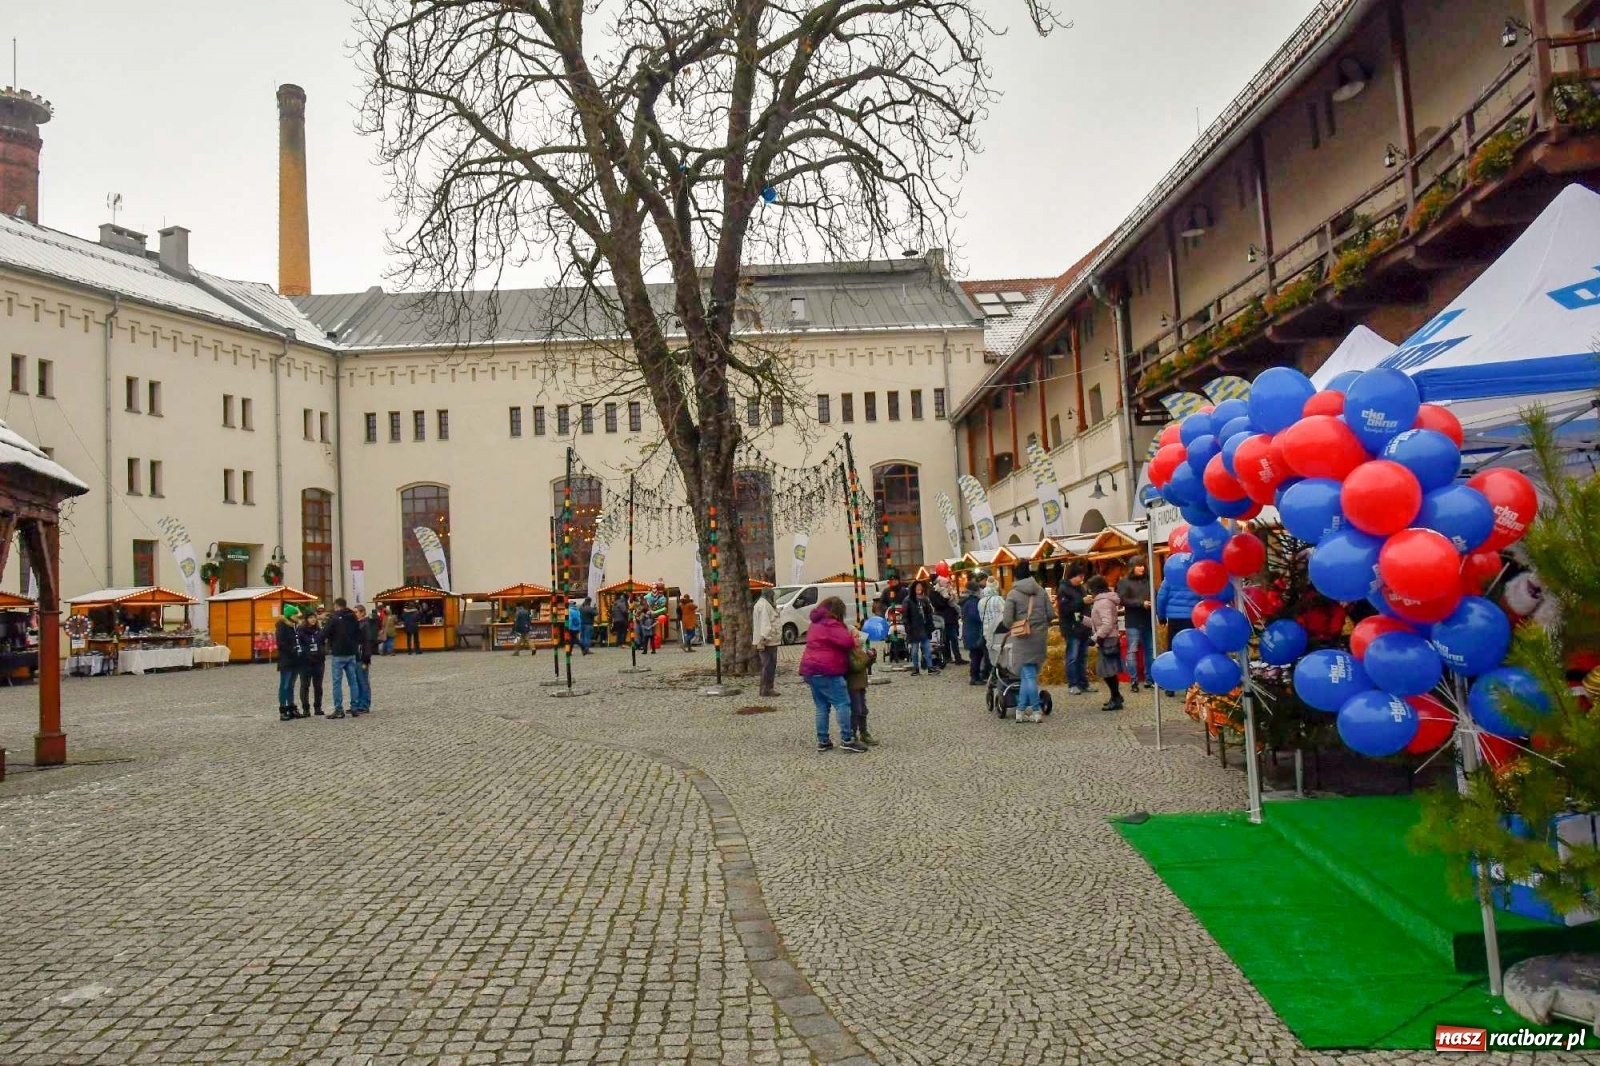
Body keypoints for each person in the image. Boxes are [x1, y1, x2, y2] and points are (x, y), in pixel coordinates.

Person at [798, 596, 866, 753]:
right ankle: (847, 739)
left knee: (822, 707)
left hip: (810, 669)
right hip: (827, 670)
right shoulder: (831, 624)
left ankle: (823, 740)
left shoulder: (815, 623)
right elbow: (847, 642)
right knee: (842, 703)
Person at [1001, 561, 1055, 723]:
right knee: (1028, 675)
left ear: (1016, 575)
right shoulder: (1040, 591)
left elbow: (1007, 621)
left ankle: (1036, 710)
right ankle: (1020, 710)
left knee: (1028, 675)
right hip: (1039, 637)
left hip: (1022, 638)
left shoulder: (1013, 594)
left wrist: (1018, 624)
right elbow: (1051, 614)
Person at [1155, 552, 1201, 695]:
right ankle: (1191, 686)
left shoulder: (1169, 579)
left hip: (1174, 619)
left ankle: (1170, 686)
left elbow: (1161, 599)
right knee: (1192, 649)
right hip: (1192, 618)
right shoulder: (1195, 577)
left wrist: (1161, 616)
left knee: (1172, 650)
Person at [323, 598, 366, 718]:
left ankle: (339, 709)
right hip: (351, 653)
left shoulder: (334, 617)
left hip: (338, 653)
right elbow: (358, 633)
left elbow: (325, 632)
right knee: (353, 682)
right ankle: (354, 707)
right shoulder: (353, 617)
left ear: (336, 606)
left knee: (337, 682)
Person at [1088, 575, 1125, 711]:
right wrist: (1082, 620)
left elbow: (1107, 624)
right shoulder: (1103, 601)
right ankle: (1116, 696)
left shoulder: (1102, 602)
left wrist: (1095, 638)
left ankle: (1116, 698)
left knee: (1108, 672)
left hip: (1107, 639)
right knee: (1109, 671)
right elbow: (1098, 622)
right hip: (1108, 638)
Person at [1117, 560, 1154, 693]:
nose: (1142, 567)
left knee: (1150, 650)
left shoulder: (1148, 581)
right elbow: (1122, 599)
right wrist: (1140, 603)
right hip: (1133, 621)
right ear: (1132, 567)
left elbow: (1154, 594)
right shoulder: (1124, 582)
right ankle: (1134, 679)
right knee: (1132, 650)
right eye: (1139, 565)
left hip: (1147, 619)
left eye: (1143, 565)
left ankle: (1150, 679)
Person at [1057, 564, 1091, 695]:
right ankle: (1073, 684)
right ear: (1073, 576)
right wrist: (1081, 601)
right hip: (1071, 627)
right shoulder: (1063, 589)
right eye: (1080, 576)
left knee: (1083, 657)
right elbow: (1064, 609)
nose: (1082, 579)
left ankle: (1084, 683)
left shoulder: (1081, 588)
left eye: (1083, 577)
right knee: (1073, 657)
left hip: (1083, 627)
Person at [847, 622, 878, 746]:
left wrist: (871, 658)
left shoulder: (859, 650)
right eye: (855, 636)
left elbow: (865, 665)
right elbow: (855, 666)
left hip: (861, 684)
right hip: (853, 685)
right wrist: (866, 658)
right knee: (856, 710)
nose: (858, 638)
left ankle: (864, 732)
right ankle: (852, 733)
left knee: (863, 710)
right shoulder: (849, 652)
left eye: (858, 636)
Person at [296, 607, 326, 717]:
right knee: (305, 685)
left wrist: (322, 651)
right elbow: (300, 645)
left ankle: (318, 707)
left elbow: (322, 642)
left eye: (314, 617)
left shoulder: (319, 630)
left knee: (318, 686)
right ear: (306, 619)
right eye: (310, 618)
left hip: (318, 661)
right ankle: (306, 708)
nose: (313, 620)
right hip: (305, 662)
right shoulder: (301, 630)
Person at [902, 580, 936, 676]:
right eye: (917, 587)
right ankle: (915, 668)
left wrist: (930, 625)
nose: (919, 589)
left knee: (927, 649)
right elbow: (905, 616)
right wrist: (908, 628)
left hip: (923, 628)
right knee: (915, 650)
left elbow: (929, 613)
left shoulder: (924, 599)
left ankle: (930, 667)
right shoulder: (908, 600)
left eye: (920, 587)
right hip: (914, 629)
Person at [961, 572, 990, 685]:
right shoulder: (973, 602)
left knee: (976, 656)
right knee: (976, 656)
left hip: (970, 632)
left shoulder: (968, 601)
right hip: (974, 633)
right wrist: (984, 617)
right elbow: (975, 617)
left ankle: (976, 676)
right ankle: (975, 677)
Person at [275, 604, 302, 722]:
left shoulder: (294, 626)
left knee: (291, 685)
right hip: (286, 660)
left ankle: (291, 707)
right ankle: (283, 709)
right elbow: (281, 643)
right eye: (295, 614)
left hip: (295, 659)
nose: (298, 616)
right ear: (290, 615)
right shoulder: (282, 626)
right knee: (284, 685)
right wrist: (292, 649)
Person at [752, 587, 780, 697]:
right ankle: (767, 689)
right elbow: (765, 624)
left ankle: (765, 689)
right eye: (772, 596)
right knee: (769, 666)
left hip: (766, 640)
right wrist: (763, 640)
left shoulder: (761, 604)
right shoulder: (765, 606)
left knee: (767, 665)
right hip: (768, 641)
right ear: (769, 595)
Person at [931, 577, 965, 666]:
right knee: (944, 640)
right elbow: (939, 604)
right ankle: (947, 658)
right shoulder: (935, 593)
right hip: (941, 619)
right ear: (940, 583)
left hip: (951, 619)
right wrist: (947, 597)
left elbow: (955, 603)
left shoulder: (950, 591)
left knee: (954, 639)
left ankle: (958, 658)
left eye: (948, 583)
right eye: (946, 583)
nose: (947, 585)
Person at [979, 579, 1007, 682]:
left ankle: (988, 674)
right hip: (997, 630)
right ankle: (998, 674)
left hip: (986, 631)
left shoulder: (981, 601)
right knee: (999, 652)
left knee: (988, 652)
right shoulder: (998, 599)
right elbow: (1005, 613)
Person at [356, 604, 378, 710]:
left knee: (363, 681)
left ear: (362, 612)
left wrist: (366, 660)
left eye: (356, 612)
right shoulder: (358, 624)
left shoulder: (365, 624)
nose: (355, 614)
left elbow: (367, 643)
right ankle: (359, 702)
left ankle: (364, 703)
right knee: (357, 682)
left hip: (362, 656)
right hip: (356, 656)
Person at [647, 581, 668, 651]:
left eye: (656, 588)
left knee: (653, 631)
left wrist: (655, 611)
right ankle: (651, 645)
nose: (654, 590)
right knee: (650, 632)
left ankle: (653, 645)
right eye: (653, 588)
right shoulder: (648, 597)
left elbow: (663, 606)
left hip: (656, 616)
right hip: (650, 617)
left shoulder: (662, 597)